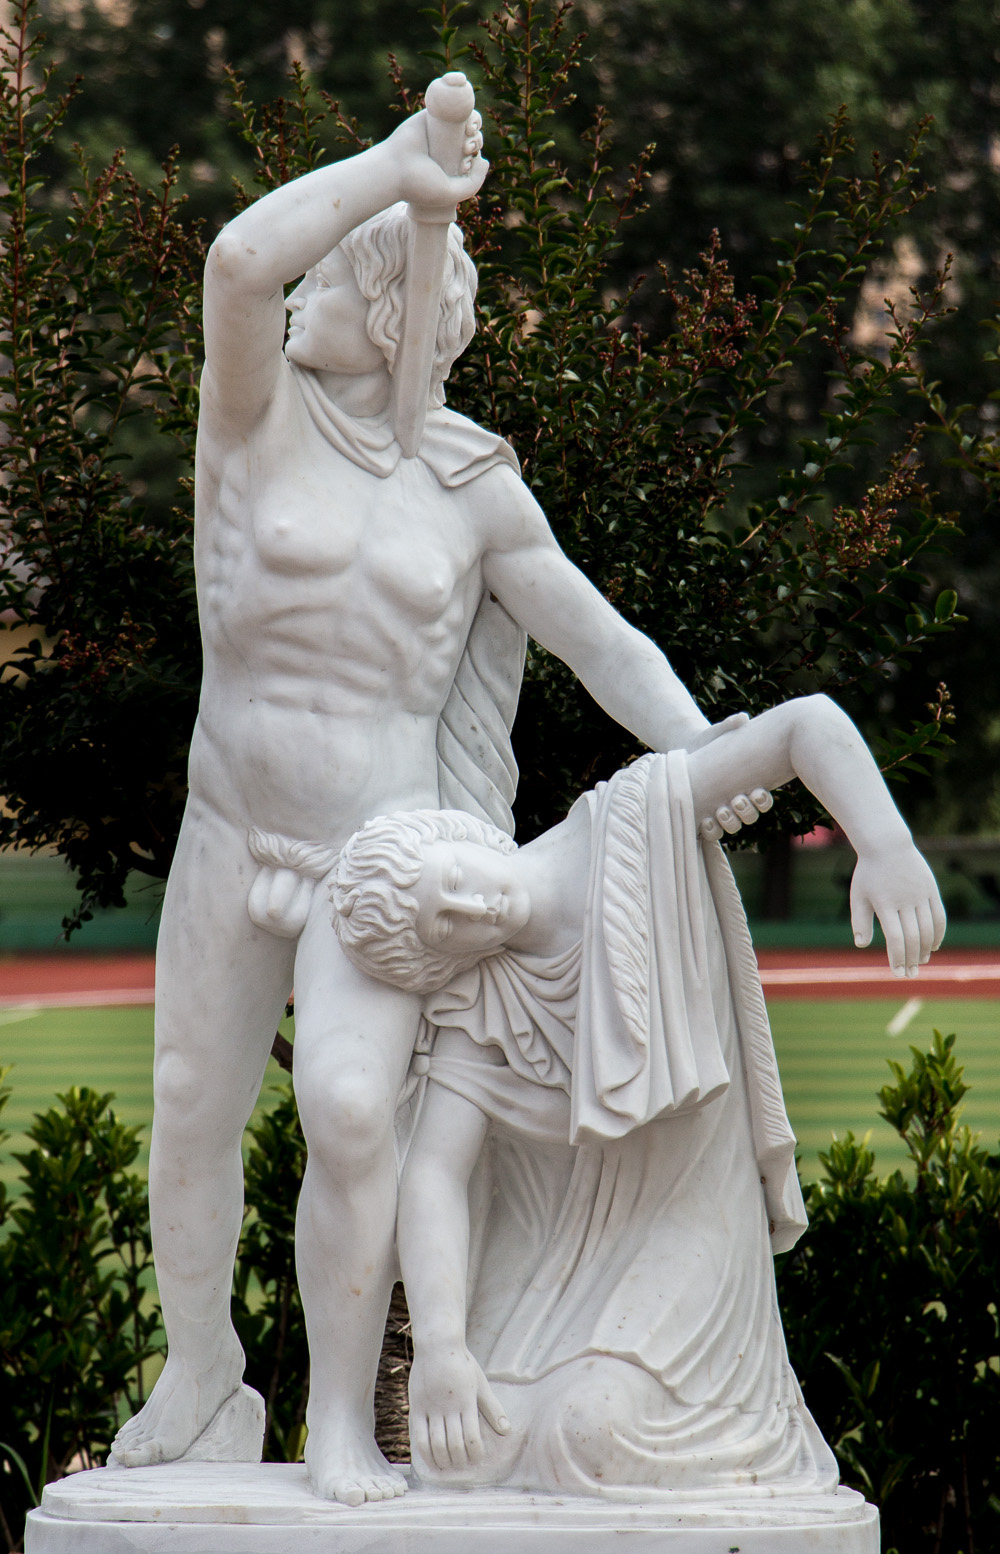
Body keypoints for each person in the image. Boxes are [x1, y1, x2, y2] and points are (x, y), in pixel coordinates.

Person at [108, 89, 759, 1506]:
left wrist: (706, 749)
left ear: (397, 316)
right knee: (192, 1106)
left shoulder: (472, 487)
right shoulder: (252, 420)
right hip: (232, 826)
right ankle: (202, 1368)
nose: (308, 297)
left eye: (341, 285)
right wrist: (392, 170)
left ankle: (343, 1418)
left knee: (352, 1115)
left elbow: (598, 641)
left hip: (378, 864)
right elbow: (237, 263)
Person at [331, 695, 945, 1495]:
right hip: (562, 1261)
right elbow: (433, 1174)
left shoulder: (626, 826)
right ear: (437, 961)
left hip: (687, 1220)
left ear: (457, 839)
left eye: (452, 881)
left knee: (591, 1434)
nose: (474, 908)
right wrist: (442, 1351)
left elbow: (808, 725)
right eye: (443, 925)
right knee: (474, 1449)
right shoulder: (481, 995)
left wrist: (887, 846)